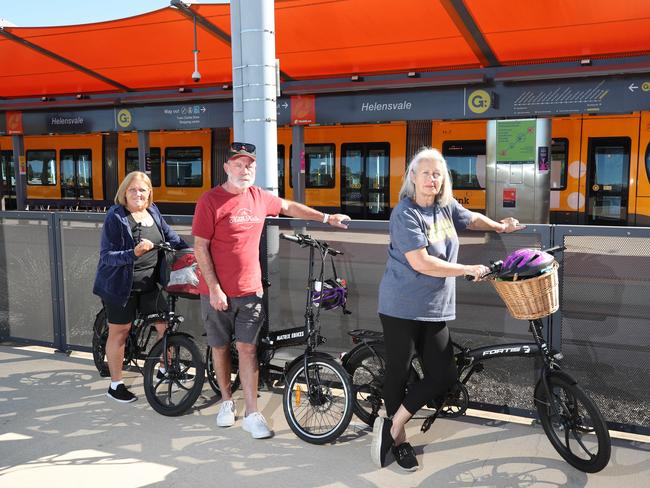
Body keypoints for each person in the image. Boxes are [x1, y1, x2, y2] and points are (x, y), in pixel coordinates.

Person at [371, 148, 523, 471]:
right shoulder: (405, 213)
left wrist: (499, 226)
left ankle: (393, 425)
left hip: (435, 307)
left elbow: (470, 218)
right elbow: (421, 262)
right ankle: (399, 442)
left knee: (444, 376)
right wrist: (467, 269)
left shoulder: (444, 207)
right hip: (401, 307)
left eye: (437, 174)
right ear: (412, 176)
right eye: (425, 173)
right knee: (398, 371)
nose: (432, 179)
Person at [192, 142, 350, 439]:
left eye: (249, 164)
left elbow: (289, 206)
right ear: (226, 168)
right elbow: (200, 246)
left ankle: (252, 413)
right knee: (220, 346)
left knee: (248, 349)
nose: (245, 169)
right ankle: (227, 401)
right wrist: (213, 288)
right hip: (217, 292)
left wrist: (327, 218)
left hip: (250, 289)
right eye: (238, 164)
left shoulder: (259, 197)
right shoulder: (210, 200)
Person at [93, 171, 188, 403]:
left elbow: (173, 238)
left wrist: (191, 253)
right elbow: (107, 256)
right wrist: (133, 253)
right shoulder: (116, 216)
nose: (138, 193)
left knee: (165, 326)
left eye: (142, 190)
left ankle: (164, 369)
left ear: (149, 194)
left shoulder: (153, 212)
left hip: (149, 284)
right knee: (120, 332)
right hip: (120, 286)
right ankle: (115, 385)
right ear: (124, 193)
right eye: (133, 189)